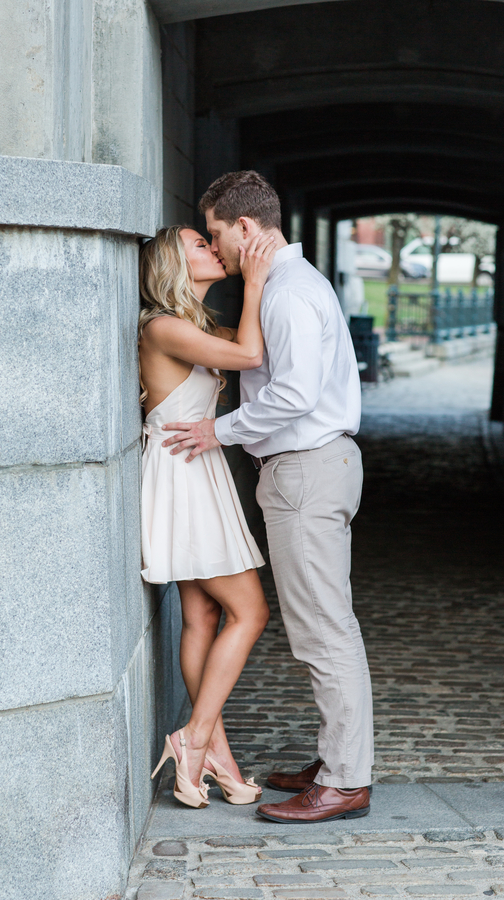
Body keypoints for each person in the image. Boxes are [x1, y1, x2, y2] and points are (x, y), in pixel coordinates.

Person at [163, 171, 374, 823]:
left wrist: (215, 432)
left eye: (219, 234)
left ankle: (344, 780)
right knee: (320, 623)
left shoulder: (285, 293)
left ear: (246, 229)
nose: (219, 247)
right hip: (308, 467)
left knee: (323, 629)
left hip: (307, 468)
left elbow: (292, 397)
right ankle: (336, 759)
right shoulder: (289, 286)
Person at [140, 225, 275, 809]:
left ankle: (216, 756)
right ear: (174, 262)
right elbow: (250, 355)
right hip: (184, 478)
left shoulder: (191, 324)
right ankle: (194, 739)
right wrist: (256, 281)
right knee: (251, 612)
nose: (213, 251)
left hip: (198, 472)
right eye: (201, 245)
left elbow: (252, 347)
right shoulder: (164, 327)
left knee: (201, 618)